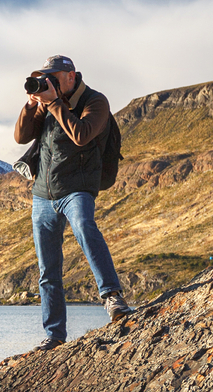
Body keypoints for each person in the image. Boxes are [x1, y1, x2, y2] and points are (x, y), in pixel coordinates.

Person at [14, 54, 133, 350]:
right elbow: (20, 137)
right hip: (43, 192)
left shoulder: (95, 101)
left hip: (77, 187)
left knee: (85, 227)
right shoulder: (46, 103)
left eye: (54, 77)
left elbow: (81, 135)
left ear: (71, 76)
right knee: (47, 268)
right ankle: (54, 336)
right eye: (46, 77)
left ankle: (113, 299)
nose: (49, 82)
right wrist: (32, 105)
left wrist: (54, 103)